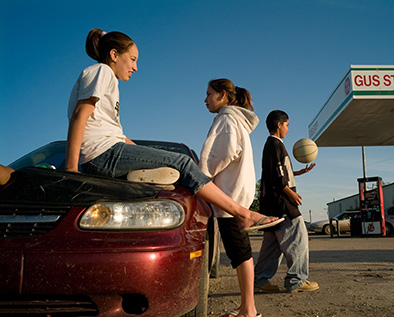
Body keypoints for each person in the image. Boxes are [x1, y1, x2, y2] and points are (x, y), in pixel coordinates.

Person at [65, 28, 280, 230]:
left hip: (109, 152)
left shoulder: (107, 79)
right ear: (113, 54)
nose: (135, 67)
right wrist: (72, 170)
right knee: (183, 162)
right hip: (102, 155)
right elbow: (79, 115)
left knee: (174, 163)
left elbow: (118, 137)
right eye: (132, 59)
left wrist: (152, 156)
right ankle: (243, 214)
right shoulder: (102, 71)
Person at [199, 79, 263, 317]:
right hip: (236, 195)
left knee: (240, 254)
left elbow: (219, 155)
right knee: (240, 254)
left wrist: (200, 176)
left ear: (222, 95)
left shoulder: (226, 120)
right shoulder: (236, 120)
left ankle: (249, 313)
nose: (205, 99)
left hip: (228, 198)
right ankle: (247, 308)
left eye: (209, 94)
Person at [254, 110, 319, 293]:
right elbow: (277, 176)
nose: (288, 129)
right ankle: (297, 280)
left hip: (271, 204)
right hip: (282, 203)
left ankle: (259, 281)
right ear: (279, 125)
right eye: (287, 125)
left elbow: (276, 172)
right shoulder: (275, 144)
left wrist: (298, 173)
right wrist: (290, 193)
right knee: (298, 238)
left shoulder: (271, 145)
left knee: (271, 245)